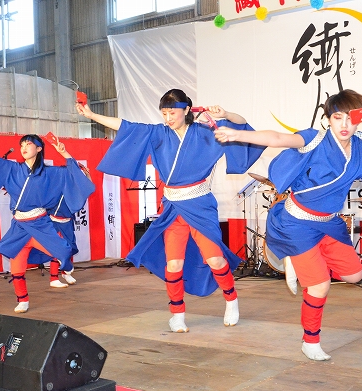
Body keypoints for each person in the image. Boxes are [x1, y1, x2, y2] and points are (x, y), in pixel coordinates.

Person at [214, 89, 362, 360]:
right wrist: (236, 135)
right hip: (296, 222)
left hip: (328, 222)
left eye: (351, 118)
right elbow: (277, 138)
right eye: (338, 117)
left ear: (361, 119)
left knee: (354, 276)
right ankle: (310, 341)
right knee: (320, 285)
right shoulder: (314, 139)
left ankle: (298, 261)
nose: (344, 125)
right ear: (328, 118)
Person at [76, 88, 265, 332]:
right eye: (164, 113)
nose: (168, 118)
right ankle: (177, 313)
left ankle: (231, 299)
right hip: (173, 208)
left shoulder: (206, 132)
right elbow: (125, 126)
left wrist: (226, 114)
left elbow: (240, 125)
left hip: (200, 206)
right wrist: (92, 115)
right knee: (173, 264)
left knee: (215, 259)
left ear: (186, 110)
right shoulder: (159, 133)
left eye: (172, 113)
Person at [0, 133, 95, 313]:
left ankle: (65, 267)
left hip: (39, 224)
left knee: (63, 250)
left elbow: (75, 176)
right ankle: (22, 299)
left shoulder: (51, 173)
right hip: (19, 226)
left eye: (28, 144)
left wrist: (64, 153)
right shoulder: (12, 169)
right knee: (16, 267)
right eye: (22, 145)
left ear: (39, 148)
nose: (24, 148)